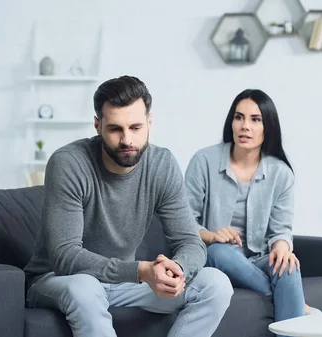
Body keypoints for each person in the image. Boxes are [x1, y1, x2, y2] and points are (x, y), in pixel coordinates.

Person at [23, 75, 233, 337]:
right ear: (98, 126)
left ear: (150, 123)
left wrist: (176, 269)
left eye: (135, 127)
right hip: (60, 279)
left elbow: (190, 241)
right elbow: (65, 257)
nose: (127, 140)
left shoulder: (162, 164)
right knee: (86, 288)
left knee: (216, 284)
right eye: (115, 129)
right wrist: (141, 271)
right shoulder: (69, 163)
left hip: (123, 283)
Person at [184, 89, 319, 329]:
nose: (245, 126)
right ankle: (296, 305)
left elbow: (281, 229)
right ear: (231, 122)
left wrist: (281, 248)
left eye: (255, 119)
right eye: (239, 117)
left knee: (288, 265)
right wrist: (211, 235)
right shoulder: (203, 161)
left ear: (268, 127)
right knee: (219, 251)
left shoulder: (281, 173)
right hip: (214, 256)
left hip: (257, 259)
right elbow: (182, 223)